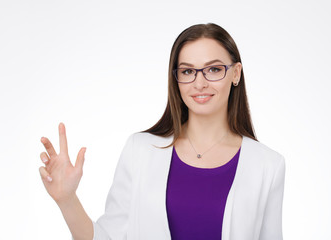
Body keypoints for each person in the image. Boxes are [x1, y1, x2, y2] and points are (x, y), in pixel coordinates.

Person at [39, 23, 286, 240]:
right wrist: (67, 200)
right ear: (176, 79)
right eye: (188, 71)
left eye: (213, 69)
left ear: (236, 73)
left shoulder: (268, 165)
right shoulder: (141, 150)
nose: (200, 83)